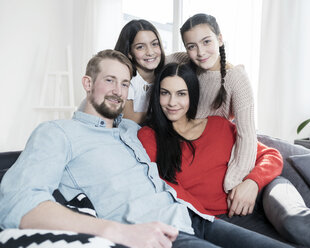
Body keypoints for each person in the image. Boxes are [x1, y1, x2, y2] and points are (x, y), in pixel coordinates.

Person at [0, 49, 291, 248]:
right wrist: (116, 231)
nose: (118, 91)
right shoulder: (57, 133)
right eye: (109, 80)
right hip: (156, 233)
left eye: (125, 83)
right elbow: (16, 204)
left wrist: (223, 64)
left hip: (193, 216)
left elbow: (178, 73)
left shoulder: (132, 130)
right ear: (88, 83)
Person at [138, 63, 284, 239]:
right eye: (165, 93)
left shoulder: (218, 125)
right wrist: (209, 222)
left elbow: (271, 155)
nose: (172, 102)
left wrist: (253, 182)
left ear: (192, 95)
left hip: (252, 208)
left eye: (181, 94)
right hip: (209, 222)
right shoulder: (148, 136)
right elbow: (167, 186)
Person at [166, 14, 257, 202]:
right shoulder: (187, 63)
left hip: (216, 157)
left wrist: (232, 182)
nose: (200, 52)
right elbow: (159, 60)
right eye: (192, 46)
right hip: (187, 153)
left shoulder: (236, 78)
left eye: (206, 41)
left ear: (220, 39)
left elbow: (247, 137)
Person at [114, 19, 165, 124]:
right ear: (129, 52)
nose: (150, 52)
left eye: (154, 44)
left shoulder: (163, 76)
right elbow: (129, 119)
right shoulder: (126, 78)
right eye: (140, 47)